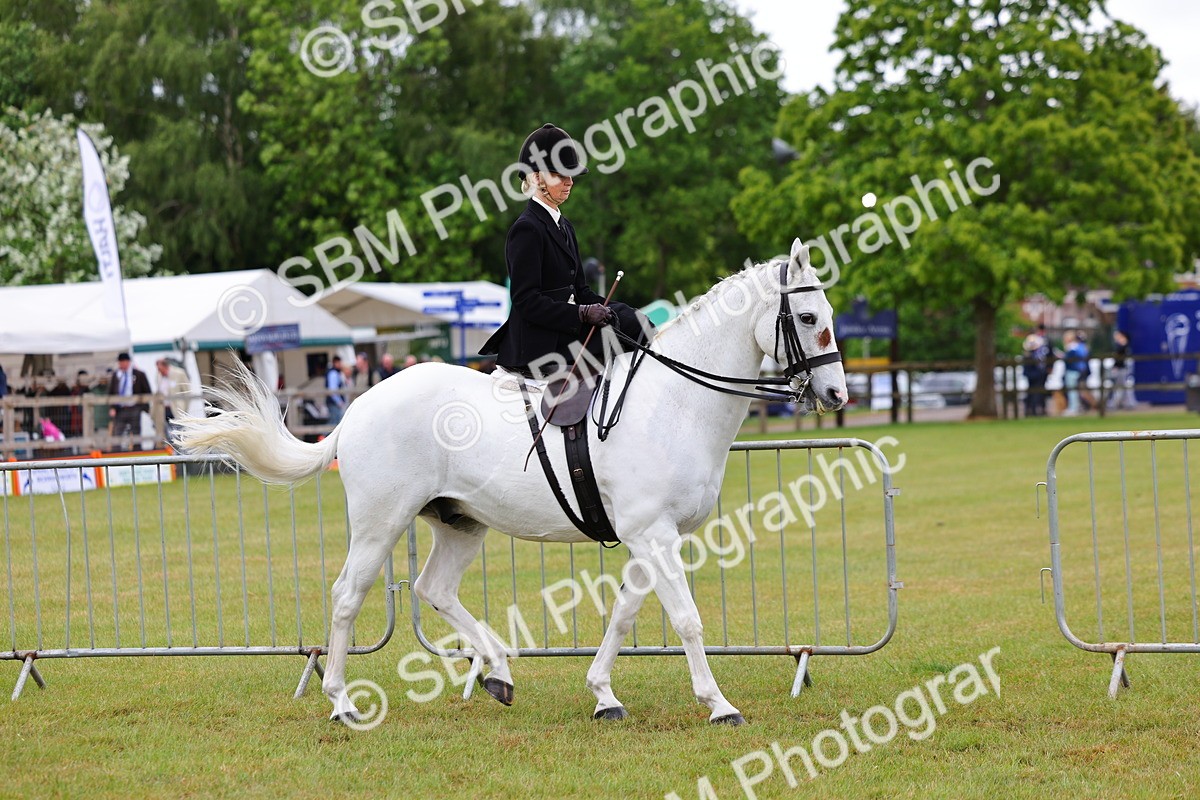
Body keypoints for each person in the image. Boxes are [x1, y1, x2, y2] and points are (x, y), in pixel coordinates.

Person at [480, 123, 651, 379]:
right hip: (539, 341)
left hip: (563, 330)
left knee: (636, 324)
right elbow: (527, 302)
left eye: (571, 176)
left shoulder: (564, 225)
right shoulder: (527, 229)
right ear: (538, 178)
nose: (570, 182)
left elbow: (581, 291)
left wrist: (619, 310)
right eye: (561, 175)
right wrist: (581, 313)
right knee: (616, 337)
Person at [108, 352, 151, 450]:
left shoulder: (138, 374)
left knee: (136, 433)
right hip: (121, 409)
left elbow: (147, 391)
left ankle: (137, 454)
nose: (122, 364)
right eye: (120, 362)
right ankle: (116, 456)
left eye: (123, 362)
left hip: (134, 408)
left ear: (128, 362)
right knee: (117, 433)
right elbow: (111, 393)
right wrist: (112, 407)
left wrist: (143, 407)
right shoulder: (116, 375)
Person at [155, 358, 191, 444]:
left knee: (179, 432)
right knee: (167, 434)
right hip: (164, 409)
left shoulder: (179, 373)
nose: (159, 371)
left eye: (160, 369)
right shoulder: (159, 376)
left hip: (177, 409)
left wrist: (184, 409)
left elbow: (187, 392)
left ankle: (180, 453)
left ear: (165, 366)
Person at [1021, 330, 1050, 417]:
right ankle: (1032, 410)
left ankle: (1033, 409)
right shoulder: (1034, 355)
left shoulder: (1033, 354)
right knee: (1034, 393)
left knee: (1034, 392)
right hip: (1035, 376)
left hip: (1034, 376)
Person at [1062, 331, 1089, 416]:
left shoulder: (1072, 348)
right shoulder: (1080, 347)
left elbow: (1069, 361)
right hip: (1078, 371)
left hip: (1072, 371)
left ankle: (1074, 408)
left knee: (1072, 390)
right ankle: (1076, 406)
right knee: (1077, 390)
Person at [1108, 330, 1136, 410]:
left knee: (1124, 386)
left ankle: (1128, 403)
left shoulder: (1124, 346)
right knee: (1119, 387)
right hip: (1120, 369)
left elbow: (1121, 360)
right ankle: (1118, 403)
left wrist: (1116, 366)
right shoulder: (1120, 346)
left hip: (1122, 369)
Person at [325, 355, 347, 426]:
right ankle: (323, 436)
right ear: (335, 363)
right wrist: (339, 402)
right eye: (339, 363)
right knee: (334, 423)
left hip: (334, 403)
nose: (341, 365)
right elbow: (333, 390)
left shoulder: (336, 373)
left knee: (335, 422)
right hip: (334, 403)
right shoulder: (333, 373)